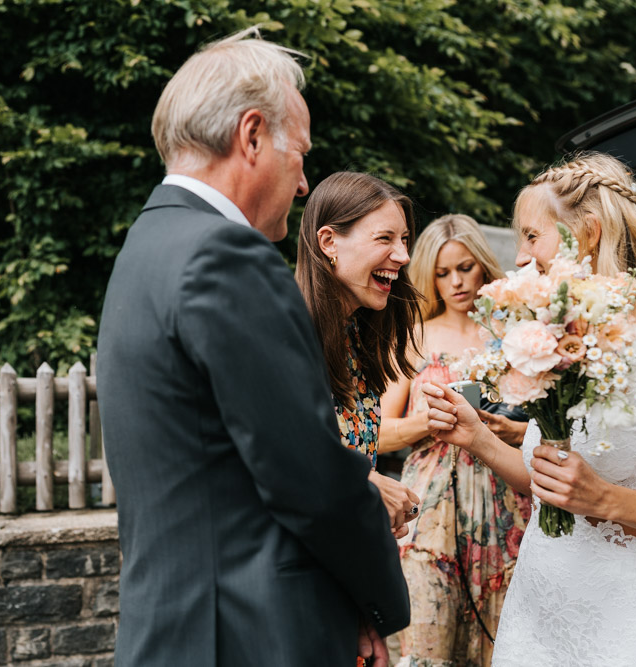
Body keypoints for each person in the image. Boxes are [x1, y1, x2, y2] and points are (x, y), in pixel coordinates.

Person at [97, 31, 409, 667]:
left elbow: (230, 466)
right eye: (299, 155)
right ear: (251, 136)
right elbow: (306, 475)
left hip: (180, 628)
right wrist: (376, 598)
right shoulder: (225, 256)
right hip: (248, 634)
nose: (302, 184)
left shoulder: (147, 244)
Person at [421, 151, 636, 666]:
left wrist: (605, 499)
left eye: (532, 236)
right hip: (538, 603)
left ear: (589, 233)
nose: (520, 257)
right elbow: (550, 482)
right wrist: (477, 438)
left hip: (626, 618)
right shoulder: (562, 338)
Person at [376, 214, 532, 666]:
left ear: (483, 265)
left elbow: (550, 429)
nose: (456, 282)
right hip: (430, 511)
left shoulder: (514, 334)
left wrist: (511, 430)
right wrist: (431, 422)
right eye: (442, 273)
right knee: (428, 641)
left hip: (507, 503)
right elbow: (378, 433)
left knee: (504, 644)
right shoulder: (411, 335)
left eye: (465, 267)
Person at [295, 170, 422, 540]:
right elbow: (269, 454)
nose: (403, 255)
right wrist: (367, 485)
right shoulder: (288, 332)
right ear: (329, 242)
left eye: (404, 239)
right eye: (384, 238)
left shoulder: (357, 334)